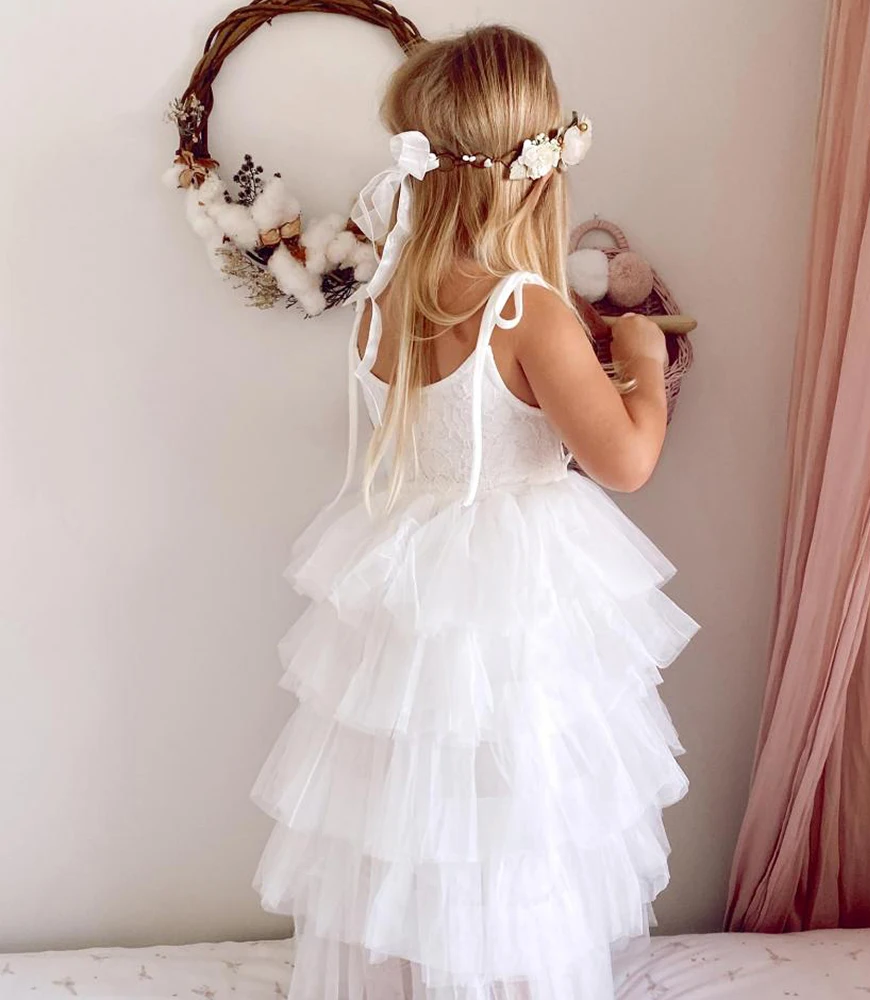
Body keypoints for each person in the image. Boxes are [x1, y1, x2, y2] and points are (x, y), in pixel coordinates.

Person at [249, 24, 699, 1000]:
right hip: (512, 585)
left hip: (410, 577)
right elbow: (623, 461)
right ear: (536, 172)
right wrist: (643, 366)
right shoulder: (525, 306)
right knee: (516, 800)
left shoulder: (383, 298)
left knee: (416, 805)